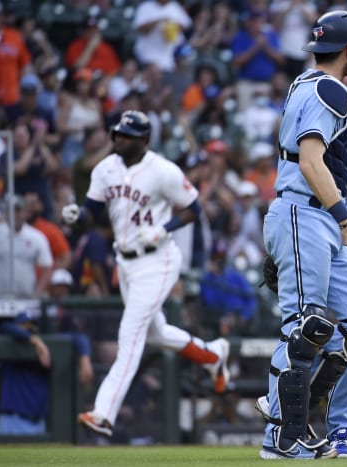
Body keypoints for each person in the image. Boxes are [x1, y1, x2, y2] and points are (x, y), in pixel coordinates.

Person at [258, 11, 347, 460]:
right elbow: (311, 162)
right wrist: (346, 219)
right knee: (304, 328)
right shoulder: (330, 89)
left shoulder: (305, 83)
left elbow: (327, 166)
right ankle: (281, 434)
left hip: (320, 217)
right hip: (305, 212)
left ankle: (288, 404)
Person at [61, 110, 229, 438]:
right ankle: (213, 354)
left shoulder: (163, 171)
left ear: (145, 140)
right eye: (118, 134)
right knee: (156, 332)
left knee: (130, 333)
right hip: (126, 262)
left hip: (158, 260)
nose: (120, 140)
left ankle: (103, 412)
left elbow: (192, 210)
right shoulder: (105, 169)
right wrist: (76, 216)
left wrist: (162, 230)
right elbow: (91, 214)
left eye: (128, 136)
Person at [0, 311, 93, 435]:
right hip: (11, 421)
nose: (28, 328)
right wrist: (34, 340)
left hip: (38, 424)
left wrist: (85, 360)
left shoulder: (47, 347)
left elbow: (79, 338)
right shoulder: (10, 345)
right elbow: (3, 327)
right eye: (24, 324)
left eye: (32, 325)